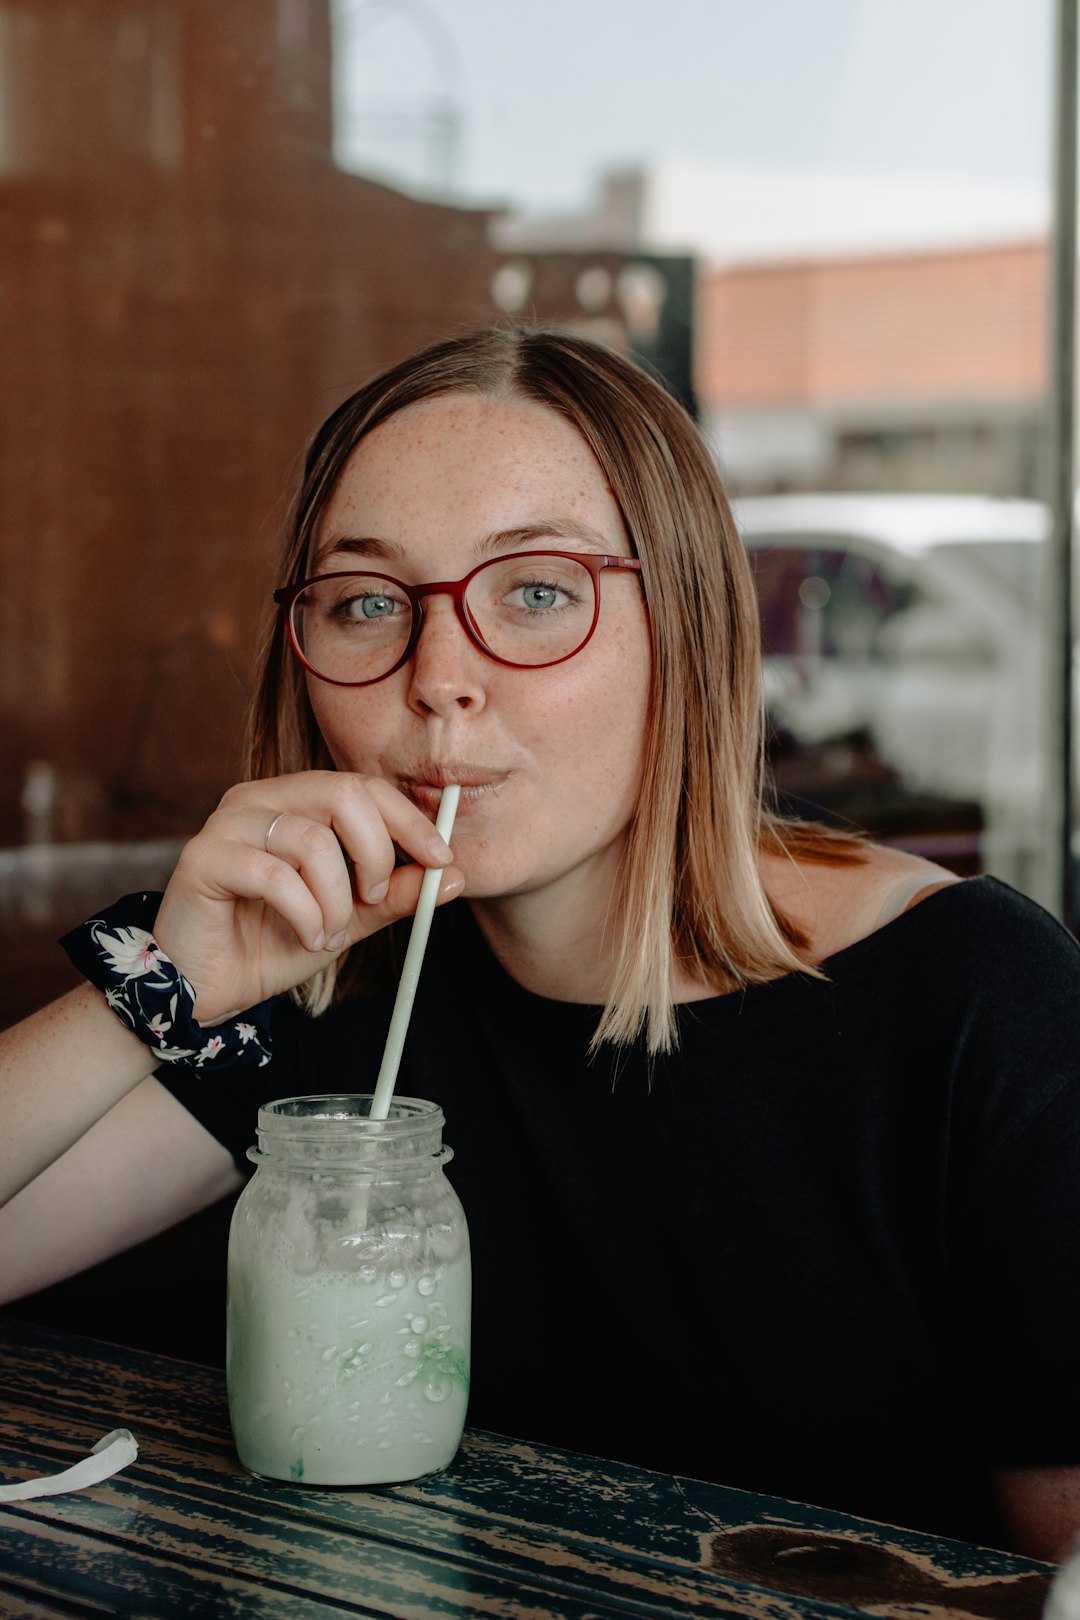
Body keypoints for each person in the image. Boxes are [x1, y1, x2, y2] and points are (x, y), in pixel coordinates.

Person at [2, 324, 1079, 1559]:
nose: (440, 677)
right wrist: (163, 991)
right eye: (365, 602)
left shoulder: (977, 1004)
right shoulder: (322, 969)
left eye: (537, 592)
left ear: (688, 628)